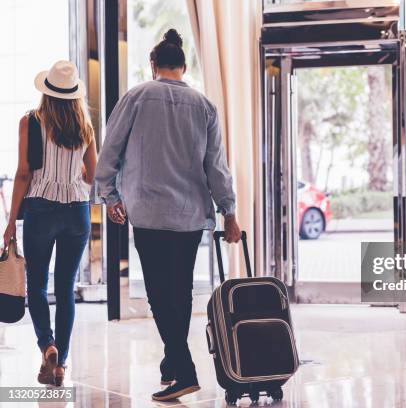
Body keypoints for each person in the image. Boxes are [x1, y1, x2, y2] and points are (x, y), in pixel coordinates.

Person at [95, 28, 241, 401]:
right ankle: (171, 364)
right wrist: (229, 212)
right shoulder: (205, 106)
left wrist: (110, 196)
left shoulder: (136, 97)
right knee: (180, 289)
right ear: (185, 66)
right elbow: (217, 168)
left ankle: (185, 369)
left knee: (160, 294)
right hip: (190, 215)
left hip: (148, 213)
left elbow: (109, 152)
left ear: (153, 64)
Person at [2, 60, 97, 386]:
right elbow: (93, 173)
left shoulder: (30, 122)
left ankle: (48, 345)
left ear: (46, 91)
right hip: (77, 211)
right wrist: (73, 179)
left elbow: (24, 173)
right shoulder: (85, 124)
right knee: (66, 287)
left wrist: (11, 220)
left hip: (41, 209)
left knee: (38, 285)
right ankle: (61, 362)